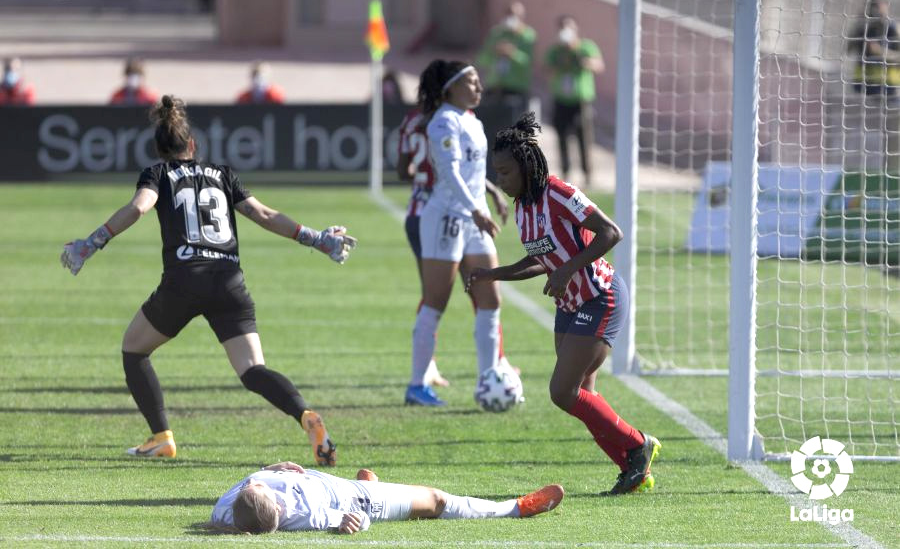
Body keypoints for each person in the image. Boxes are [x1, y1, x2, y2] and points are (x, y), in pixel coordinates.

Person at [60, 95, 356, 466]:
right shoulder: (222, 174)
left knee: (134, 350)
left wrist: (92, 243)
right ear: (193, 145)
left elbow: (138, 207)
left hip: (185, 281)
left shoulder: (157, 174)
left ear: (159, 150)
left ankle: (162, 437)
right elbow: (264, 214)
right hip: (229, 281)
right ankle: (304, 416)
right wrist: (317, 238)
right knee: (253, 371)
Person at [467, 113, 660, 495]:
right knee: (582, 394)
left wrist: (567, 270)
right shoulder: (523, 207)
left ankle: (639, 444)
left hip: (600, 295)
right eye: (498, 174)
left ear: (525, 167)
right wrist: (494, 274)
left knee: (562, 392)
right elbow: (540, 259)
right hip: (570, 304)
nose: (501, 181)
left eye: (505, 173)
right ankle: (632, 470)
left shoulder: (559, 194)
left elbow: (610, 233)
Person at [404, 60, 508, 407]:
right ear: (450, 88)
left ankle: (488, 379)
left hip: (474, 218)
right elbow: (448, 172)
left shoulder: (472, 120)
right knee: (436, 302)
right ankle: (417, 385)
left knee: (490, 298)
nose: (479, 87)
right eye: (472, 82)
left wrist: (490, 193)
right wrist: (477, 210)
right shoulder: (443, 121)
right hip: (446, 218)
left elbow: (471, 171)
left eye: (479, 81)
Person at [209, 461, 563, 534]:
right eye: (258, 484)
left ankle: (372, 481)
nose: (254, 481)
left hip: (338, 482)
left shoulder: (228, 508)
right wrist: (355, 523)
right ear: (281, 507)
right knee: (437, 502)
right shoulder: (308, 515)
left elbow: (228, 518)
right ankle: (516, 508)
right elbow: (355, 522)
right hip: (362, 499)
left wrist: (272, 468)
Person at [544, 16, 605, 186]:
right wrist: (560, 61)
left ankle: (587, 174)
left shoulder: (586, 47)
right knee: (562, 137)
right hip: (561, 100)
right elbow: (546, 68)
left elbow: (598, 65)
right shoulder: (555, 51)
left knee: (583, 137)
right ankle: (565, 171)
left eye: (569, 27)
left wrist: (581, 59)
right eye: (562, 28)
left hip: (580, 101)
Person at [475, 0, 536, 108]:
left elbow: (528, 62)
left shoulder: (528, 35)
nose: (511, 17)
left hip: (516, 87)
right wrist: (495, 51)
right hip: (495, 85)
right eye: (509, 13)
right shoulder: (496, 33)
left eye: (515, 15)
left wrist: (512, 53)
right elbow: (482, 60)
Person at [850, 0, 900, 97]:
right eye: (872, 6)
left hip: (888, 85)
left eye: (878, 6)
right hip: (863, 83)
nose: (875, 10)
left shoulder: (893, 28)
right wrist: (858, 25)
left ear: (886, 6)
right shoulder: (864, 28)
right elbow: (848, 49)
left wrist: (880, 52)